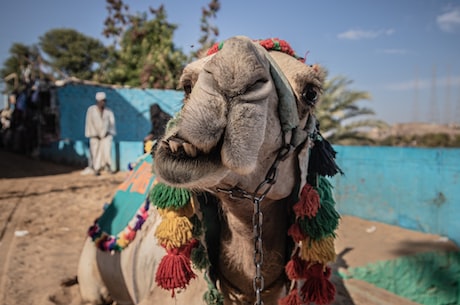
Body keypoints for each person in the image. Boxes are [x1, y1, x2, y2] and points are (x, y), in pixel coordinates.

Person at [84, 92, 116, 176]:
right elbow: (89, 122)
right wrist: (94, 134)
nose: (103, 103)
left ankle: (108, 166)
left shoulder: (108, 111)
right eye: (101, 101)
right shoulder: (91, 110)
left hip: (106, 135)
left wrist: (108, 132)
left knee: (107, 151)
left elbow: (112, 124)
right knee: (95, 152)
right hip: (95, 136)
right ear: (97, 101)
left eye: (104, 101)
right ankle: (96, 169)